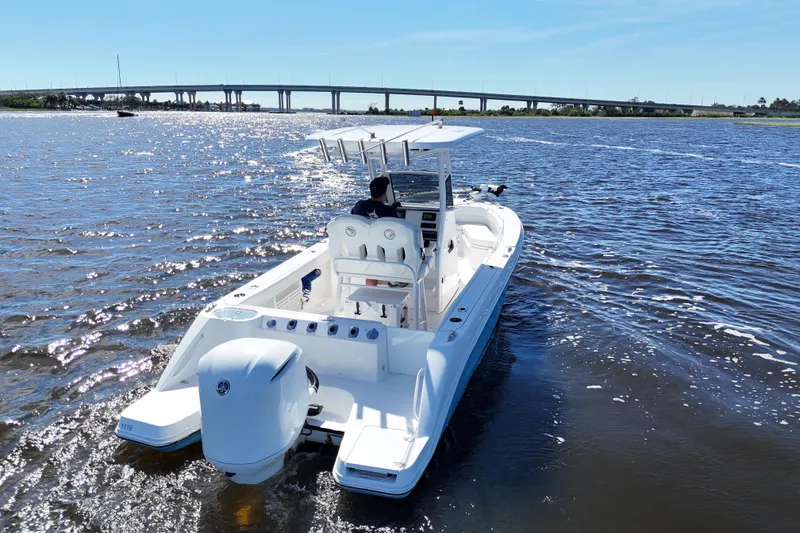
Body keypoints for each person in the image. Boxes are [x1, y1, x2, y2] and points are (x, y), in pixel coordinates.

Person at [351, 176, 400, 286]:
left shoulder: (359, 205)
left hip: (362, 251)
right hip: (382, 252)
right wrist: (393, 209)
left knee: (372, 253)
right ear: (385, 192)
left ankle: (371, 288)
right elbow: (398, 229)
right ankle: (395, 279)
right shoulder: (388, 211)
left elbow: (354, 216)